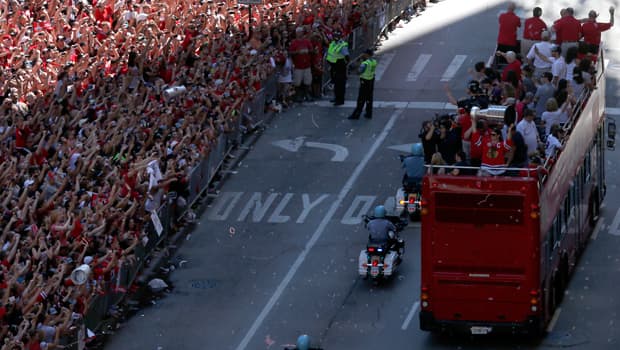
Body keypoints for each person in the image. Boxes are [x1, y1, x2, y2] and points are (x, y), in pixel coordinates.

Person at [348, 49, 377, 119]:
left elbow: (359, 72)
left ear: (367, 54)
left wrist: (358, 65)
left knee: (361, 99)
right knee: (369, 98)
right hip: (371, 81)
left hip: (365, 82)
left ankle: (356, 114)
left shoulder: (365, 63)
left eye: (364, 53)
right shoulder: (373, 61)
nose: (363, 55)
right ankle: (368, 113)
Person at [289, 27, 315, 103]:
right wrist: (297, 52)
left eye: (302, 32)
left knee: (307, 81)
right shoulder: (294, 43)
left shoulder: (307, 41)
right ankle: (298, 95)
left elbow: (312, 50)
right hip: (298, 66)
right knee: (297, 82)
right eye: (299, 32)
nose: (301, 33)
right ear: (296, 33)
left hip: (307, 65)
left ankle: (307, 94)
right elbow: (290, 52)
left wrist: (308, 51)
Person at [326, 31, 349, 106]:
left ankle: (340, 100)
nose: (335, 38)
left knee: (340, 84)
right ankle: (336, 98)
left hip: (340, 66)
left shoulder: (342, 45)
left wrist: (344, 65)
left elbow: (347, 57)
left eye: (336, 36)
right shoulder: (333, 43)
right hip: (333, 66)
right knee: (335, 83)